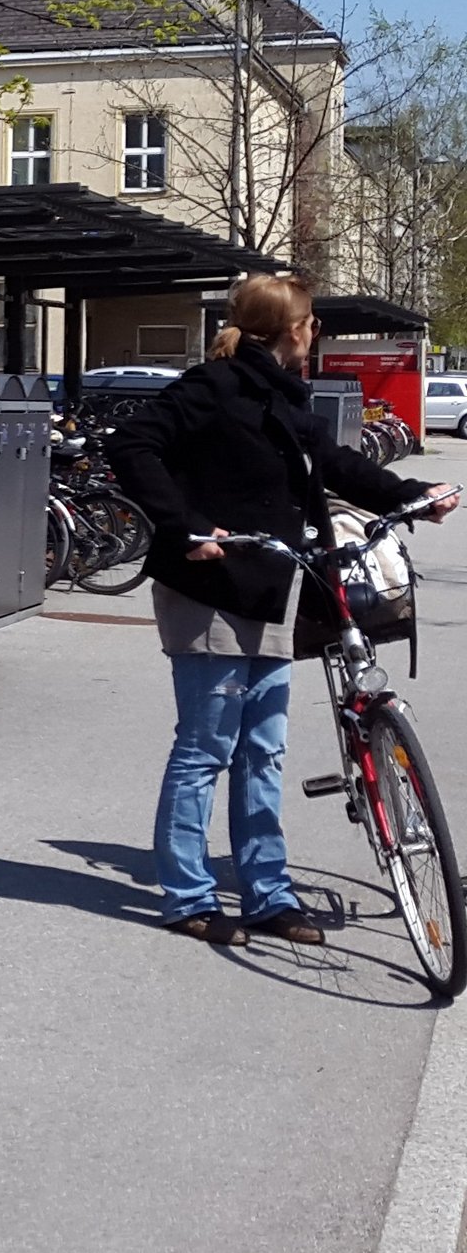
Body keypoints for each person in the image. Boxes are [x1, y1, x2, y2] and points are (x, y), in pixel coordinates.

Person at [108, 274, 457, 946]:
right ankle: (186, 895)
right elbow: (131, 445)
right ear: (296, 329)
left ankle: (267, 893)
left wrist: (414, 493)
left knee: (262, 750)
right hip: (209, 590)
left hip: (271, 589)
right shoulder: (210, 389)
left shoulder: (283, 399)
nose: (314, 333)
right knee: (207, 747)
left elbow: (337, 466)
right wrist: (185, 527)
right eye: (311, 322)